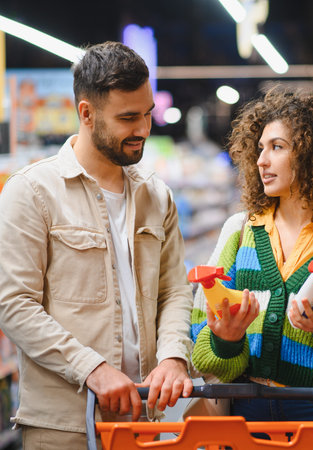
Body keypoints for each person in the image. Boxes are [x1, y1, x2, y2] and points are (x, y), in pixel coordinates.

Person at [0, 41, 193, 449]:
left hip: (144, 418)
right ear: (86, 113)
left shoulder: (157, 197)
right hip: (65, 427)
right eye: (127, 118)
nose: (142, 129)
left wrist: (174, 356)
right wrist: (93, 369)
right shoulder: (32, 193)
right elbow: (14, 304)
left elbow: (175, 291)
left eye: (146, 115)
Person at [190, 85, 313, 449]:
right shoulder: (239, 232)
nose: (261, 161)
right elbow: (199, 333)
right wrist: (225, 339)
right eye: (260, 148)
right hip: (244, 415)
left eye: (277, 147)